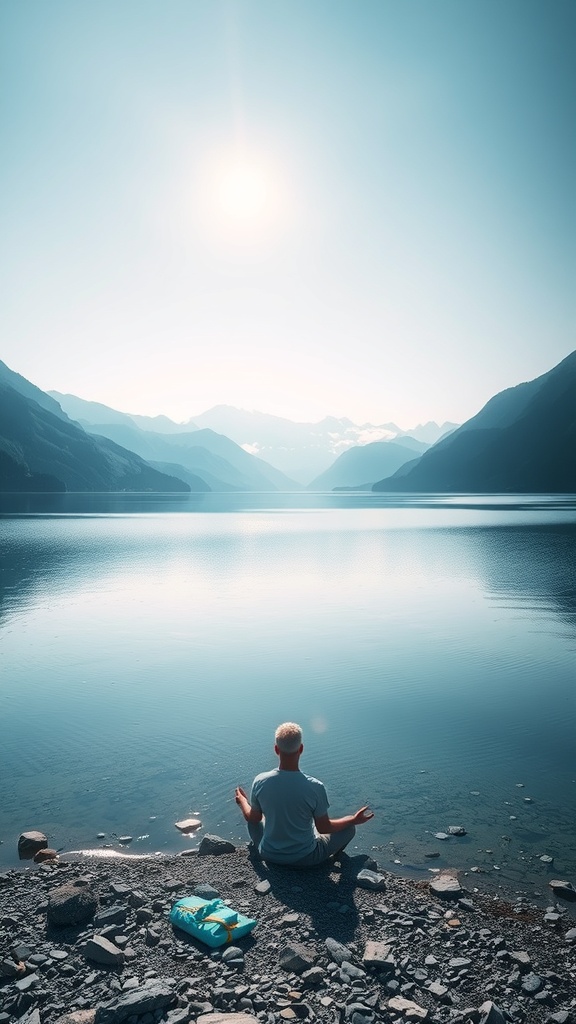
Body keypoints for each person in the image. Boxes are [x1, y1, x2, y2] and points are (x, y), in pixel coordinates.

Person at [235, 721, 374, 867]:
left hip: (269, 854)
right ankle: (333, 860)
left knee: (255, 819)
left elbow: (253, 817)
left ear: (276, 749)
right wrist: (353, 819)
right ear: (301, 749)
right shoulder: (315, 787)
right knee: (348, 828)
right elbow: (324, 828)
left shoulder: (260, 781)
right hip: (304, 859)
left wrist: (242, 802)